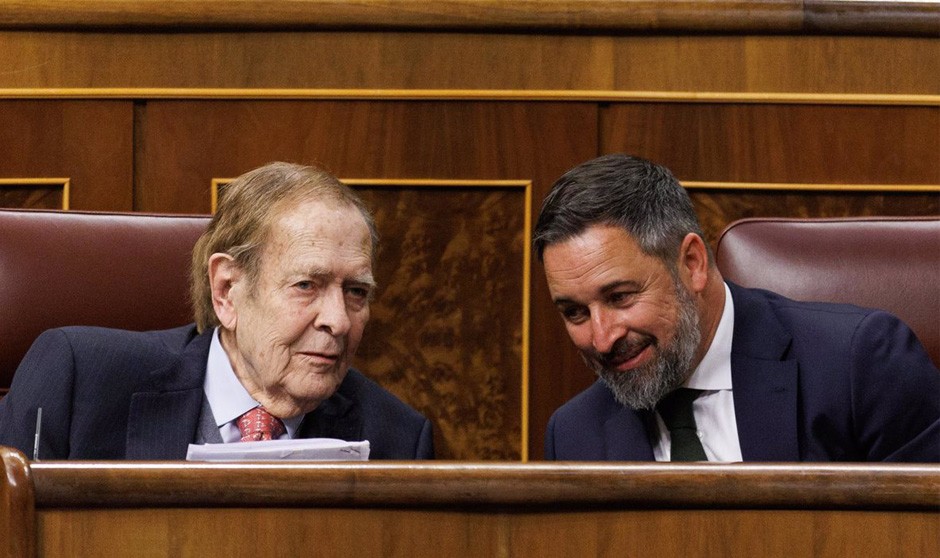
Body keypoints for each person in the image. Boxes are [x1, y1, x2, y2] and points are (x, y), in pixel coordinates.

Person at [0, 162, 434, 460]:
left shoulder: (395, 437)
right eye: (307, 285)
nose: (338, 321)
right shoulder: (80, 384)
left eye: (356, 291)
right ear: (227, 290)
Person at [534, 153, 939, 462]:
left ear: (691, 263)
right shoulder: (575, 435)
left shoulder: (857, 365)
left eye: (620, 297)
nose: (602, 339)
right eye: (575, 313)